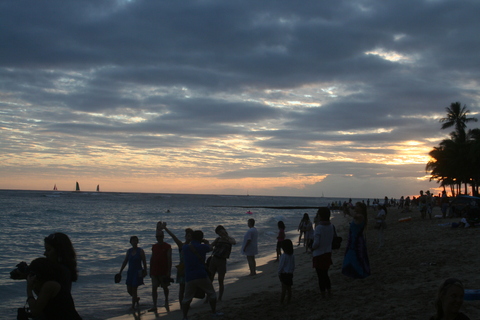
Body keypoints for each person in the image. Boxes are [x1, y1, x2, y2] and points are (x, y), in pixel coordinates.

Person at [181, 230, 223, 319]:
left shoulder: (185, 248)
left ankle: (184, 316)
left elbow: (184, 247)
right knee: (211, 294)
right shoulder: (202, 247)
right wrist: (207, 242)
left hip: (189, 276)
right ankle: (213, 312)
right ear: (201, 238)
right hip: (201, 274)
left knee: (187, 298)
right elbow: (211, 248)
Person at [162, 222, 193, 309]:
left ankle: (187, 304)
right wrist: (165, 228)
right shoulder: (181, 245)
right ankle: (181, 305)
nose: (189, 237)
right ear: (185, 236)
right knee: (182, 288)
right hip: (182, 269)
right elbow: (173, 236)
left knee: (189, 288)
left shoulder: (193, 246)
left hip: (190, 269)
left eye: (190, 236)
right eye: (188, 235)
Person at [117, 236, 147, 310]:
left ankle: (133, 306)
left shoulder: (140, 251)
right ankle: (136, 299)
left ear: (137, 242)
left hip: (137, 272)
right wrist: (120, 272)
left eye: (136, 240)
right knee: (129, 290)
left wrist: (145, 270)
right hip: (130, 272)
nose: (134, 242)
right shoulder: (129, 251)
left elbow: (144, 261)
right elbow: (125, 261)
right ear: (130, 242)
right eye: (133, 241)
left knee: (134, 289)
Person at [342, 202, 370, 279]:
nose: (355, 207)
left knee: (357, 255)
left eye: (357, 206)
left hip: (357, 240)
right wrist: (346, 207)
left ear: (361, 208)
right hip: (353, 238)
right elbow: (347, 212)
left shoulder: (361, 216)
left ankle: (359, 272)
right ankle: (352, 271)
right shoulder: (358, 216)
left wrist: (349, 206)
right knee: (351, 255)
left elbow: (352, 215)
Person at [209, 225, 236, 301]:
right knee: (210, 279)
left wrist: (226, 237)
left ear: (224, 230)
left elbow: (234, 242)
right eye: (219, 233)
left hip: (222, 260)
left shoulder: (230, 239)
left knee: (220, 280)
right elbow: (211, 246)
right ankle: (209, 297)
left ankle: (220, 297)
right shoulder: (218, 239)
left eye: (221, 231)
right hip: (214, 259)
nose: (221, 233)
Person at [312, 207, 334, 299]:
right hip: (328, 252)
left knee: (320, 276)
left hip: (319, 254)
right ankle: (329, 292)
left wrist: (312, 247)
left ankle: (323, 294)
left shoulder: (319, 228)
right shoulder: (331, 226)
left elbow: (316, 243)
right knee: (326, 274)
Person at [149, 230, 172, 313]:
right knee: (154, 288)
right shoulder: (154, 247)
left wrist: (169, 271)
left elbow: (169, 259)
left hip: (163, 271)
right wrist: (150, 270)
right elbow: (152, 258)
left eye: (160, 236)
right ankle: (154, 305)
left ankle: (166, 300)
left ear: (163, 237)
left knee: (165, 287)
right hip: (155, 271)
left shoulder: (167, 246)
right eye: (157, 237)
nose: (159, 238)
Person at [278, 239, 295, 305]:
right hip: (290, 273)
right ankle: (288, 301)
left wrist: (279, 273)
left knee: (284, 289)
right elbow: (293, 265)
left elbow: (281, 265)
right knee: (289, 289)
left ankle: (281, 302)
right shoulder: (292, 256)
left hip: (284, 274)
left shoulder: (283, 256)